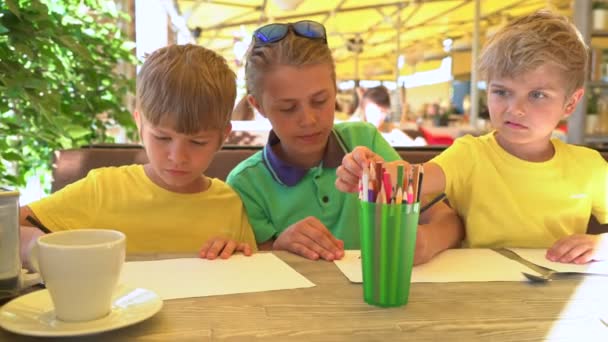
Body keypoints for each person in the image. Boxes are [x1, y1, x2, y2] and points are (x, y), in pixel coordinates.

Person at [336, 11, 608, 264]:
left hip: (557, 297)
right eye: (501, 92)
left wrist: (600, 244)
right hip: (479, 293)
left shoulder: (589, 168)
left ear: (571, 103)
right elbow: (412, 178)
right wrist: (371, 172)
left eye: (537, 95)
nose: (515, 109)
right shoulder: (470, 154)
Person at [227, 20, 464, 263]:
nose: (308, 120)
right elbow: (250, 261)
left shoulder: (365, 139)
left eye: (320, 100)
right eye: (287, 108)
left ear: (335, 89)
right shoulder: (246, 183)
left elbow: (448, 220)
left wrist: (426, 241)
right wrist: (277, 247)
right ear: (258, 106)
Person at [19, 44, 257, 267]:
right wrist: (36, 246)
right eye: (162, 138)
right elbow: (11, 225)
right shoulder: (103, 189)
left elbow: (251, 267)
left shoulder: (230, 204)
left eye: (197, 142)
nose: (178, 156)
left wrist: (234, 255)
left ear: (222, 137)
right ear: (139, 125)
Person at [358, 85, 426, 146]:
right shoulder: (355, 134)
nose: (378, 116)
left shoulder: (393, 135)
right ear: (364, 109)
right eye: (373, 111)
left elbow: (419, 146)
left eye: (382, 111)